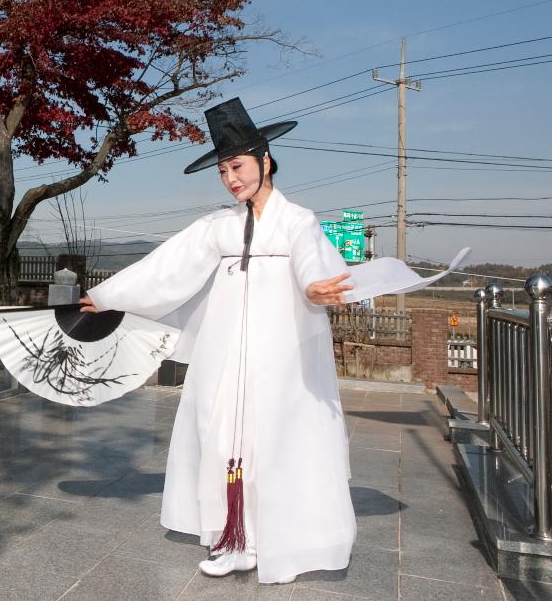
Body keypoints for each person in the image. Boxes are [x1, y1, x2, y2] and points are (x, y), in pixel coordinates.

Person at [78, 98, 356, 585]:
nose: (231, 178)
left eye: (239, 165)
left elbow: (313, 260)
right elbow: (165, 267)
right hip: (225, 354)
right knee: (222, 436)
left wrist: (314, 285)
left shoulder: (298, 221)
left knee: (276, 438)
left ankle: (279, 536)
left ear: (265, 161)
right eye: (224, 169)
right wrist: (107, 296)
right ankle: (233, 536)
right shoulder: (219, 226)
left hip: (282, 356)